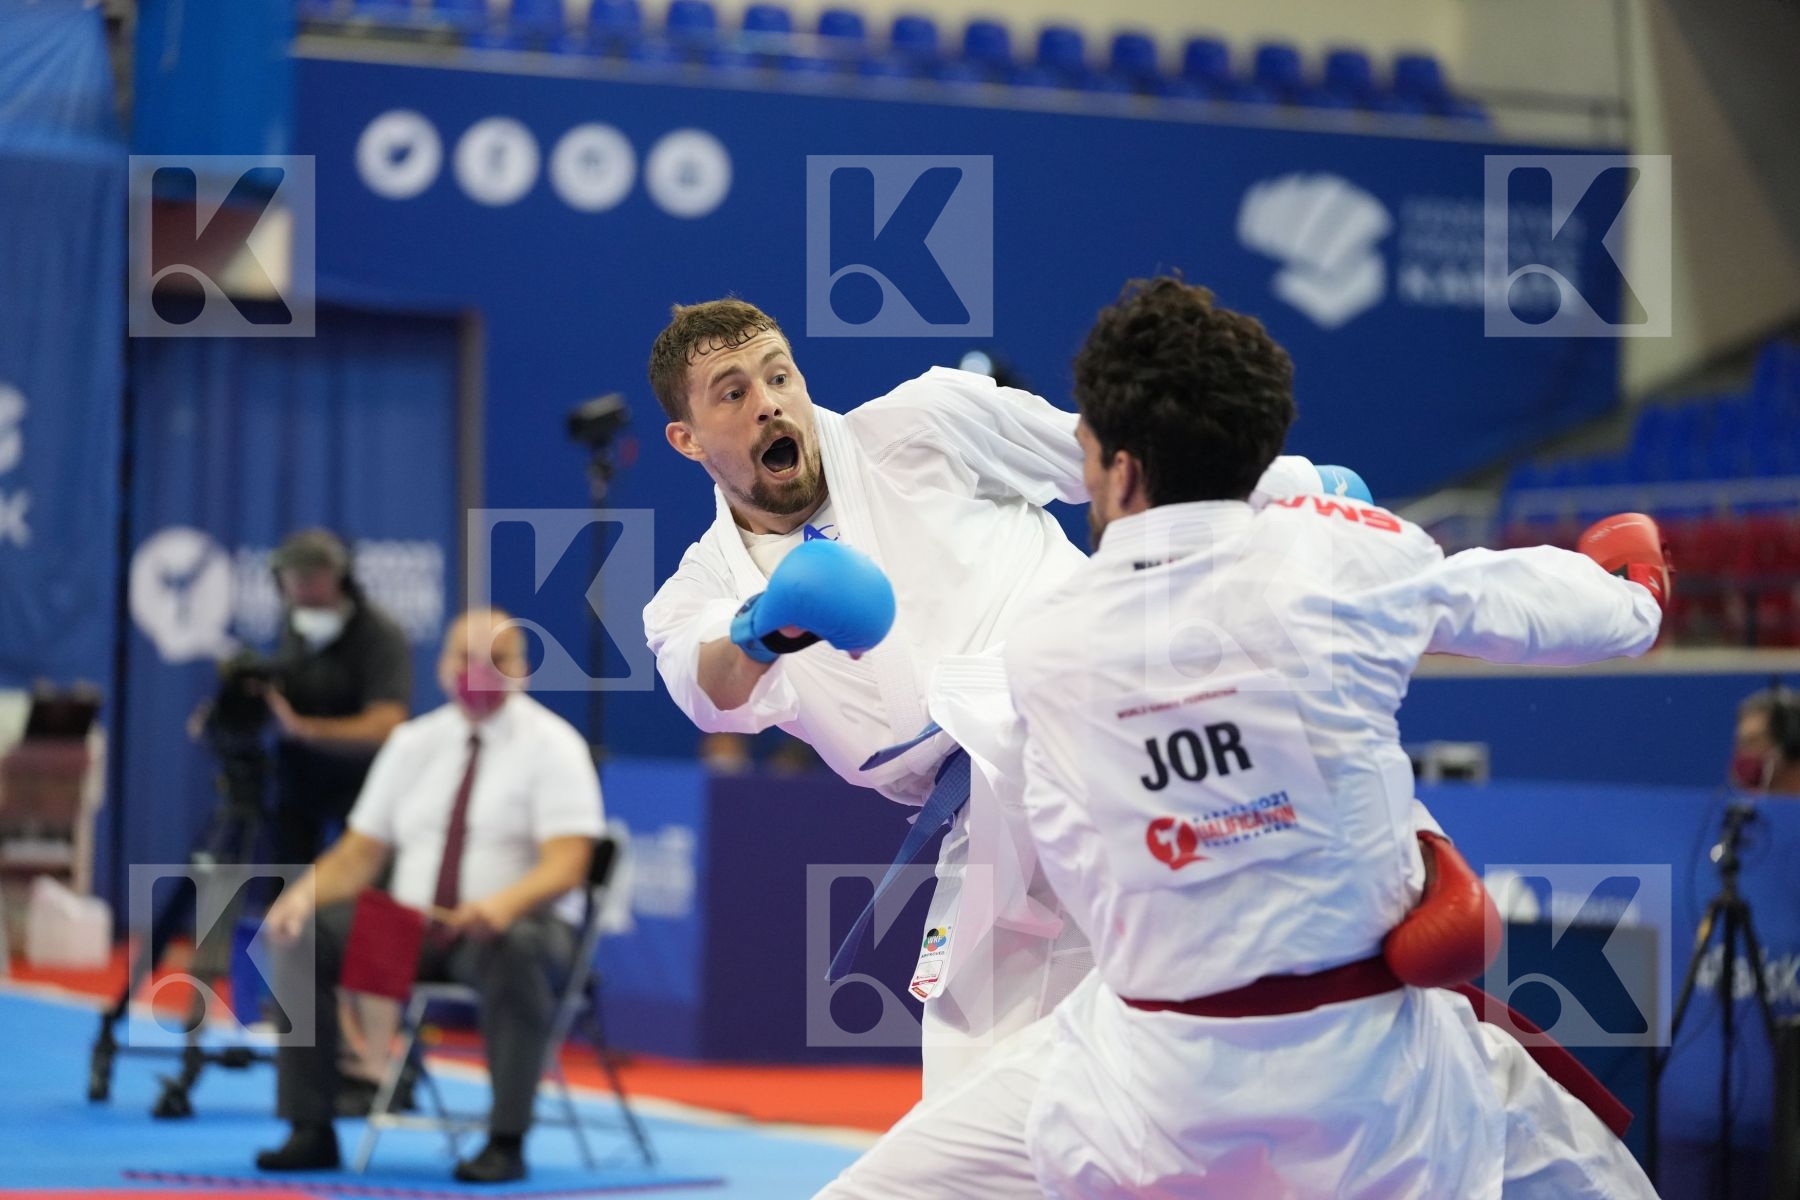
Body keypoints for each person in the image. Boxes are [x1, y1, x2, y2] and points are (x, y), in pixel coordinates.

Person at [813, 278, 1667, 1198]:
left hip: (1139, 1081)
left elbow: (1088, 872)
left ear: (1124, 468)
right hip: (1381, 1088)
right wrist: (1632, 598)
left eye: (1088, 447)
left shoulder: (1048, 643)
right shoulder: (1348, 557)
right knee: (1587, 1171)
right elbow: (1517, 603)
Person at [641, 298, 1335, 1094]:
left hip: (1118, 724)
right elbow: (707, 690)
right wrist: (769, 625)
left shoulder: (925, 422)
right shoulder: (699, 587)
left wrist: (1298, 488)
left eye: (779, 374)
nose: (768, 401)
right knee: (975, 1091)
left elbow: (1110, 456)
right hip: (984, 817)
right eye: (732, 393)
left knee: (1243, 1023)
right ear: (686, 438)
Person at [255, 608, 604, 1183]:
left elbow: (569, 863)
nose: (478, 671)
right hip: (410, 932)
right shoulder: (414, 743)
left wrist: (503, 905)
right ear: (442, 667)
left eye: (496, 659)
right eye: (464, 658)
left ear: (522, 668)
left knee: (516, 946)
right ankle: (308, 1127)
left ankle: (505, 1140)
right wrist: (301, 896)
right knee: (303, 934)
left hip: (503, 932)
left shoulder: (553, 745)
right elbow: (359, 853)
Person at [265, 528, 414, 867]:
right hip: (298, 784)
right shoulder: (291, 627)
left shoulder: (380, 634)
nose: (303, 590)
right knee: (286, 880)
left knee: (361, 885)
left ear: (340, 578)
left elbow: (386, 725)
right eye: (294, 581)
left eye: (312, 579)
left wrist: (304, 730)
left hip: (366, 784)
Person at [1731, 683, 1800, 795]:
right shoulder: (1741, 811)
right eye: (1740, 743)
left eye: (1753, 741)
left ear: (1791, 746)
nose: (1743, 754)